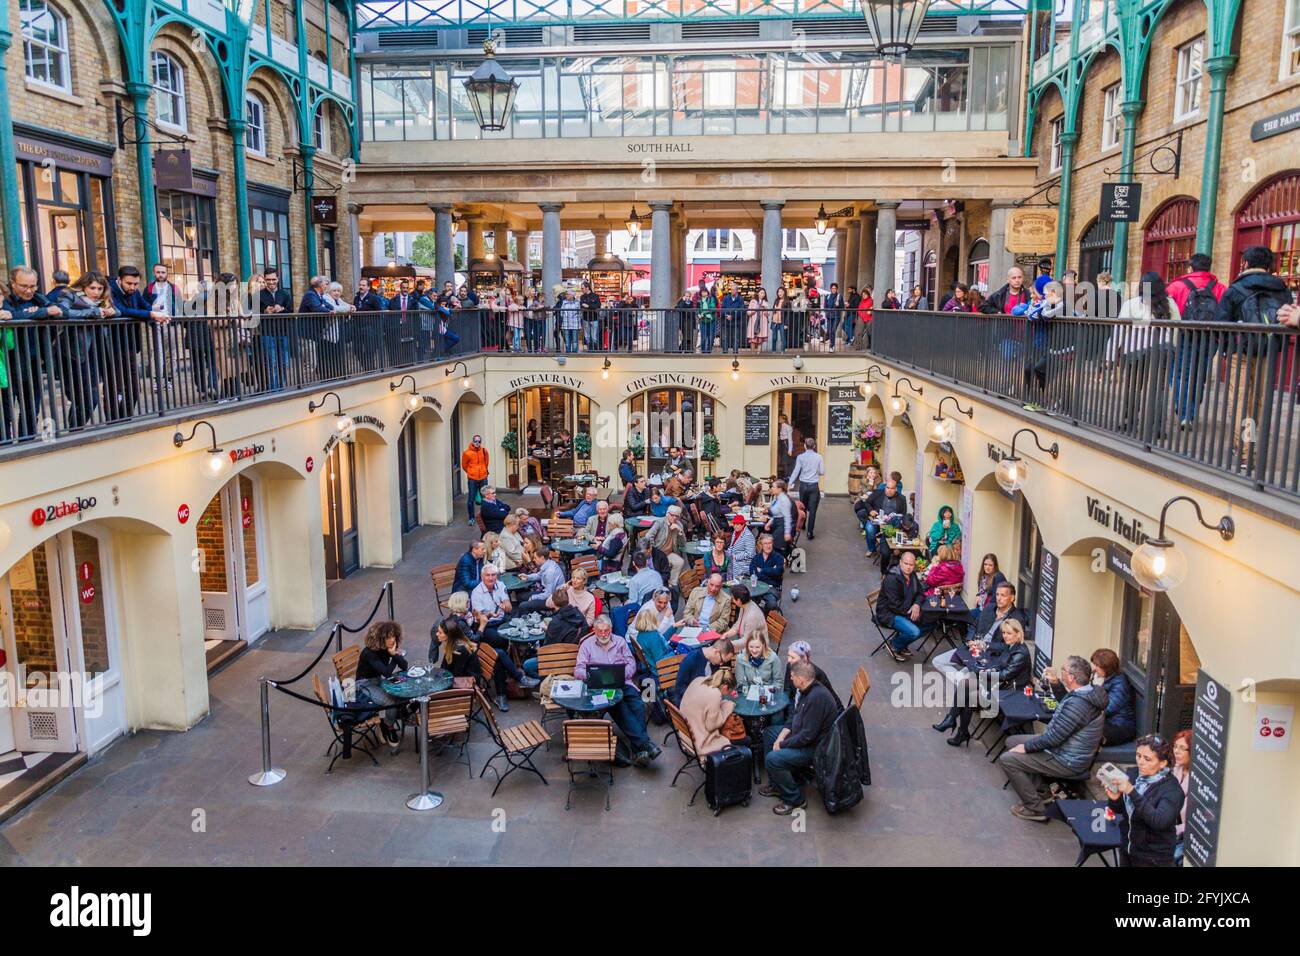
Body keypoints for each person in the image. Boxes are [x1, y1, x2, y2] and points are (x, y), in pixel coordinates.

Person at [1214, 245, 1296, 469]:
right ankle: (1254, 447)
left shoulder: (1235, 288)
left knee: (1240, 400)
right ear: (1269, 266)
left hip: (1240, 350)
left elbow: (1221, 322)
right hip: (1268, 350)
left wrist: (1223, 348)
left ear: (1246, 264)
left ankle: (1244, 451)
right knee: (1260, 399)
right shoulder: (1281, 289)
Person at [998, 655, 1108, 822]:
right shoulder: (1087, 693)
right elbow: (1069, 703)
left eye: (1063, 669)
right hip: (1067, 750)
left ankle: (1035, 809)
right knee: (1012, 741)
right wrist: (1056, 684)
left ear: (1071, 677)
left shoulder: (1079, 706)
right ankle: (1042, 791)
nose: (1061, 671)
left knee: (1008, 759)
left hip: (1066, 760)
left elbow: (1053, 739)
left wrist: (1026, 748)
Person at [575, 616, 660, 766]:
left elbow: (631, 663)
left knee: (638, 706)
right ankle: (644, 745)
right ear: (594, 630)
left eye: (606, 631)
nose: (603, 634)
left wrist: (621, 674)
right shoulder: (586, 645)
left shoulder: (620, 641)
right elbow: (578, 670)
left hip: (623, 683)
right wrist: (593, 675)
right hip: (601, 688)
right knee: (619, 706)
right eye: (599, 631)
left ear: (611, 630)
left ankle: (639, 749)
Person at [760, 661, 839, 815]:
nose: (790, 679)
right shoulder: (805, 690)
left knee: (772, 759)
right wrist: (780, 737)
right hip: (801, 735)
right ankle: (777, 785)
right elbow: (794, 717)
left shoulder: (816, 698)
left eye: (792, 677)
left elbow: (806, 737)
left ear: (801, 679)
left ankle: (795, 799)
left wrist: (782, 745)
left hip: (815, 748)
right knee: (769, 733)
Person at [945, 618, 1031, 747]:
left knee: (969, 693)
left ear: (1018, 634)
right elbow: (1001, 665)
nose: (1005, 636)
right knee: (965, 684)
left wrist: (985, 673)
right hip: (1000, 683)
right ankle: (954, 721)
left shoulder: (1020, 652)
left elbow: (1005, 675)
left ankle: (957, 726)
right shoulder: (1012, 646)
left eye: (1009, 633)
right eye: (1004, 633)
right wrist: (991, 669)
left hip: (1008, 691)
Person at [1103, 734, 1185, 867]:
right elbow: (1123, 812)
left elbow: (1159, 821)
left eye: (1147, 759)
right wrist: (1115, 799)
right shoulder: (1133, 774)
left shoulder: (1172, 790)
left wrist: (1132, 792)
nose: (1140, 762)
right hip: (1128, 849)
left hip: (1154, 858)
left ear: (1162, 763)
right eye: (1138, 755)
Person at [1166, 253, 1226, 428]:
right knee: (1199, 374)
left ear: (1190, 268)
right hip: (1209, 336)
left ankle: (1184, 411)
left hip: (1183, 335)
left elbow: (1166, 310)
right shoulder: (1220, 288)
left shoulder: (1176, 286)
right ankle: (1189, 411)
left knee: (1179, 374)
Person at [470, 564, 539, 710]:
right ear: (482, 577)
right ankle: (518, 677)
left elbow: (507, 604)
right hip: (485, 626)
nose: (491, 578)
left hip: (501, 622)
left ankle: (501, 695)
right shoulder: (476, 592)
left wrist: (506, 605)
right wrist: (490, 613)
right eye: (488, 575)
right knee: (500, 645)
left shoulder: (500, 585)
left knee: (500, 651)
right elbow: (479, 617)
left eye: (493, 575)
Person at [875, 550, 936, 662]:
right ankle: (895, 645)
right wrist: (911, 614)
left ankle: (901, 642)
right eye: (906, 563)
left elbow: (920, 593)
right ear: (900, 563)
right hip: (888, 613)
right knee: (915, 631)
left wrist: (916, 605)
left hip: (904, 610)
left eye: (911, 564)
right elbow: (894, 605)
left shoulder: (912, 575)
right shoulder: (892, 578)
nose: (908, 567)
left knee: (930, 623)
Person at [354, 620, 408, 743]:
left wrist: (394, 654)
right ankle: (388, 726)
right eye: (388, 637)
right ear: (380, 638)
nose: (392, 640)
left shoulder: (387, 647)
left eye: (394, 636)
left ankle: (394, 715)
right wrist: (394, 655)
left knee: (403, 693)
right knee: (390, 702)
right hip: (364, 685)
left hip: (378, 680)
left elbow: (404, 666)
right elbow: (387, 673)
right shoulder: (369, 653)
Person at [522, 588, 587, 678]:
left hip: (558, 658)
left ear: (553, 602)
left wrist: (548, 631)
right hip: (576, 655)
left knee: (526, 665)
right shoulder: (579, 614)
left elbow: (547, 649)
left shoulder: (556, 622)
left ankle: (548, 680)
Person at [680, 668, 739, 763]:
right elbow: (711, 726)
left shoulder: (698, 679)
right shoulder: (715, 694)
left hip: (684, 733)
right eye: (729, 691)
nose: (727, 694)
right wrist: (727, 709)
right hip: (697, 742)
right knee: (731, 741)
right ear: (725, 687)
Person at [673, 632, 737, 702]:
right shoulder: (691, 660)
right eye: (722, 660)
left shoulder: (715, 663)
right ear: (716, 652)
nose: (721, 664)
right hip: (688, 702)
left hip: (706, 699)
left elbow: (714, 683)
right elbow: (680, 689)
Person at [788, 436, 825, 540]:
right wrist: (815, 471)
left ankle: (802, 524)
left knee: (802, 506)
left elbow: (796, 471)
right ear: (814, 446)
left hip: (803, 485)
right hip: (813, 486)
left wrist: (790, 483)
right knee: (812, 510)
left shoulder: (800, 457)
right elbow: (822, 472)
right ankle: (810, 532)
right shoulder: (819, 457)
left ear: (804, 446)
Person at [516, 542, 567, 613]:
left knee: (523, 605)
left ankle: (529, 619)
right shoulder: (547, 563)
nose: (533, 560)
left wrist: (533, 597)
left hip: (553, 599)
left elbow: (548, 594)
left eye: (535, 558)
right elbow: (539, 575)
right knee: (520, 596)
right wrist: (527, 577)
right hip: (546, 592)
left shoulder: (550, 572)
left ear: (542, 558)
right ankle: (530, 615)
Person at [647, 504, 688, 586]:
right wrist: (653, 550)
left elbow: (683, 544)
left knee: (680, 562)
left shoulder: (679, 525)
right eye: (672, 515)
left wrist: (680, 531)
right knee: (660, 566)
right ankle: (660, 583)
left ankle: (671, 583)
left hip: (669, 553)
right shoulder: (660, 522)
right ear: (667, 514)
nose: (675, 518)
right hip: (658, 552)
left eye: (677, 516)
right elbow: (648, 537)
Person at [431, 617, 479, 688]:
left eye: (440, 632)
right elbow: (444, 667)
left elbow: (458, 674)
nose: (437, 634)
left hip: (467, 685)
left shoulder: (461, 650)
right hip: (457, 680)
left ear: (449, 636)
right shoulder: (451, 645)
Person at [629, 600, 674, 674]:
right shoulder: (653, 636)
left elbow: (660, 639)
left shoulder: (641, 635)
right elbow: (660, 660)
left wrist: (673, 627)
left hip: (652, 665)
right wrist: (675, 653)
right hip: (661, 670)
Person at [1171, 730, 1192, 864]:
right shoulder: (1175, 769)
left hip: (1185, 835)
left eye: (1182, 748)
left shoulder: (1200, 780)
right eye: (1175, 746)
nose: (1176, 751)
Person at [750, 533, 785, 612]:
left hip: (772, 588)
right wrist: (771, 571)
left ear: (772, 544)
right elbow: (753, 573)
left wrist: (762, 570)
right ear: (761, 545)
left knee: (772, 604)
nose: (768, 546)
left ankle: (764, 618)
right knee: (746, 599)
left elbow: (778, 572)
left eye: (770, 543)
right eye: (765, 543)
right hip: (758, 587)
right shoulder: (756, 558)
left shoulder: (778, 557)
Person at [461, 435, 490, 526]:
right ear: (472, 441)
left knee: (485, 498)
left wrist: (483, 471)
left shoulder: (484, 451)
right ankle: (471, 518)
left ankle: (485, 516)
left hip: (483, 477)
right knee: (471, 499)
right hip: (472, 478)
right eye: (476, 441)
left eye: (479, 441)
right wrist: (471, 472)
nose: (477, 443)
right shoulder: (467, 453)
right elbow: (464, 466)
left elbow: (486, 462)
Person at [763, 478, 795, 554]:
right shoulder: (777, 498)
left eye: (773, 487)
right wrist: (769, 523)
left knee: (776, 548)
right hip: (777, 523)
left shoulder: (784, 500)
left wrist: (787, 532)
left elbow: (787, 517)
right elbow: (776, 514)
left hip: (782, 525)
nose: (771, 488)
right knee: (773, 546)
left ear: (780, 489)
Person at [725, 514, 756, 578]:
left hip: (743, 563)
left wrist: (735, 557)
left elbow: (750, 554)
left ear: (743, 524)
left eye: (737, 524)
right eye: (734, 524)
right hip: (733, 559)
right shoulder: (735, 532)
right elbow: (732, 545)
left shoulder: (748, 536)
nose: (735, 526)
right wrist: (727, 553)